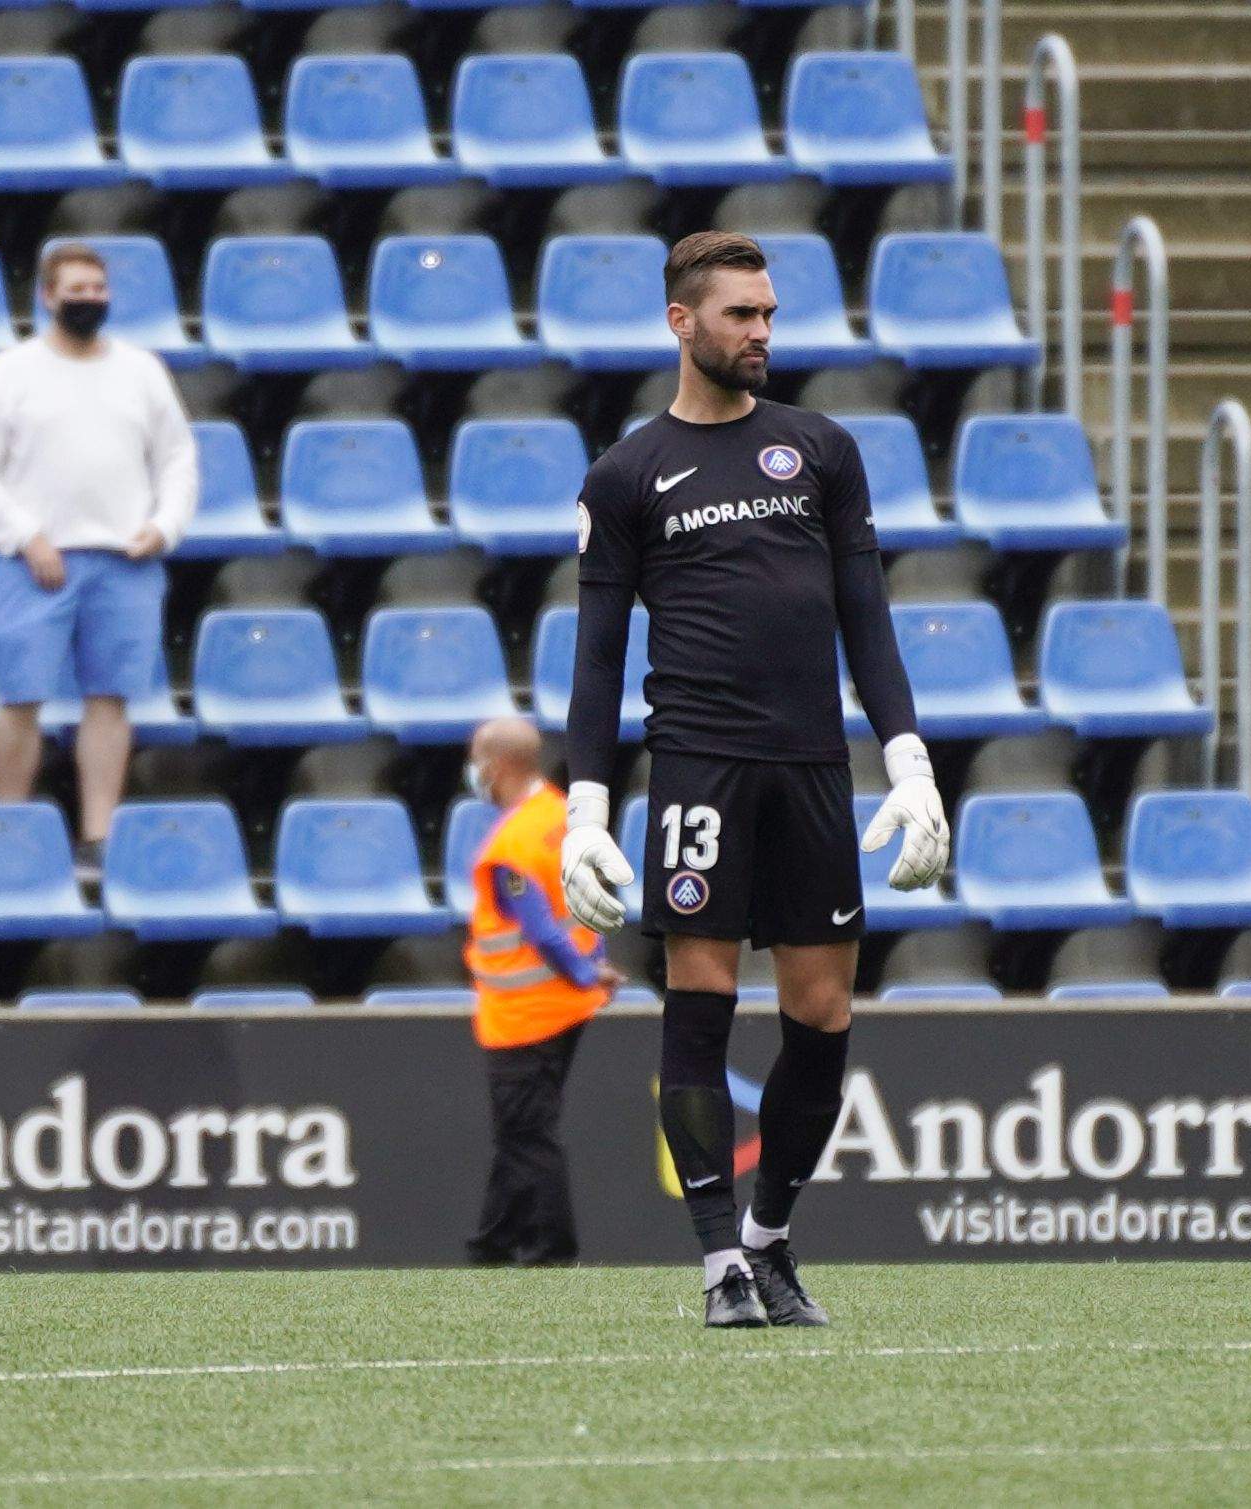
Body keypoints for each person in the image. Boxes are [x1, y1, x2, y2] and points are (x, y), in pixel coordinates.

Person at [562, 231, 950, 1329]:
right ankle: (716, 1262)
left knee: (822, 1013)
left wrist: (909, 762)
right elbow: (598, 658)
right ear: (682, 323)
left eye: (770, 314)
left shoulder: (820, 450)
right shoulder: (628, 473)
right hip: (696, 768)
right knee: (701, 1000)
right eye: (741, 315)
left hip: (812, 767)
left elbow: (867, 621)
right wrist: (586, 802)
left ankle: (772, 1239)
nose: (762, 333)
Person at [0, 244, 198, 876]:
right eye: (76, 289)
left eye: (98, 288)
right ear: (46, 296)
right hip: (34, 563)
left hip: (127, 561)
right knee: (20, 699)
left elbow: (177, 459)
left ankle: (99, 838)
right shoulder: (9, 372)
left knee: (110, 701)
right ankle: (9, 828)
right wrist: (25, 536)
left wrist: (163, 528)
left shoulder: (142, 370)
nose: (89, 299)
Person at [462, 717, 621, 1268]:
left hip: (526, 1014)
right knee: (520, 1131)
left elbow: (540, 928)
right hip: (566, 1008)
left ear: (496, 765)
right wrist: (594, 968)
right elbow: (591, 901)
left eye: (477, 759)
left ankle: (554, 1250)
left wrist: (584, 972)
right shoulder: (562, 816)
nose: (474, 771)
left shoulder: (513, 842)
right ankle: (493, 1244)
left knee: (529, 1135)